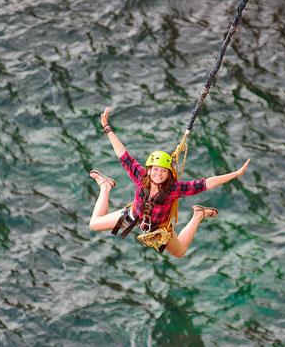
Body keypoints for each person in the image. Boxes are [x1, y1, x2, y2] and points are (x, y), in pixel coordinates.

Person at [89, 107, 250, 258]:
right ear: (149, 170)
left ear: (168, 174)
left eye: (163, 171)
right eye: (156, 169)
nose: (159, 174)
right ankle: (105, 186)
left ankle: (198, 215)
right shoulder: (141, 177)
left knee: (180, 253)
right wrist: (107, 128)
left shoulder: (173, 188)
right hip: (134, 217)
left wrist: (235, 174)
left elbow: (205, 184)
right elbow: (122, 154)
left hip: (160, 228)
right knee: (94, 225)